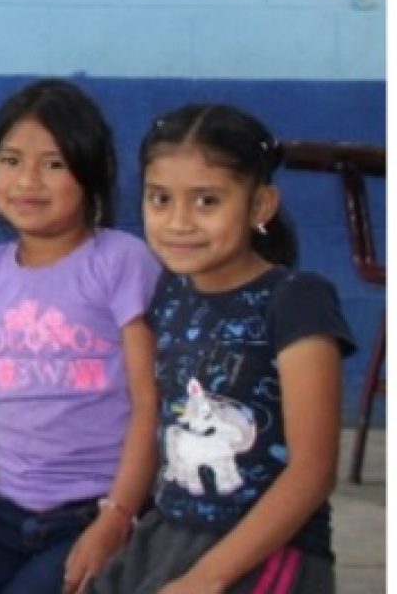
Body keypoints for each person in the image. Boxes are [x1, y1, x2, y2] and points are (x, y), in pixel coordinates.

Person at [92, 105, 355, 594]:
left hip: (266, 547)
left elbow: (313, 471)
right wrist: (116, 516)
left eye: (207, 201)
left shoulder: (297, 300)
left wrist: (207, 578)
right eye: (160, 199)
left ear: (260, 206)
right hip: (166, 535)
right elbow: (153, 421)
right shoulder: (168, 296)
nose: (178, 222)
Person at [0, 80, 162, 594]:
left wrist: (116, 519)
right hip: (4, 515)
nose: (27, 180)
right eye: (10, 161)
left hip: (96, 510)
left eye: (53, 164)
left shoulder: (121, 261)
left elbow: (149, 402)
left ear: (91, 172)